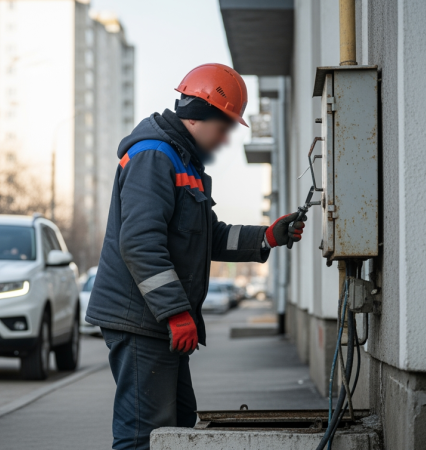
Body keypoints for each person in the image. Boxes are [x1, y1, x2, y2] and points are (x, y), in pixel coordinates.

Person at [85, 63, 305, 450]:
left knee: (179, 428)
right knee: (145, 436)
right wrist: (175, 312)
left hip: (155, 321)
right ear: (201, 116)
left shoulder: (182, 161)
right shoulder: (155, 157)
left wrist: (268, 237)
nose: (223, 141)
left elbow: (210, 236)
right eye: (223, 129)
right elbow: (139, 243)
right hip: (142, 322)